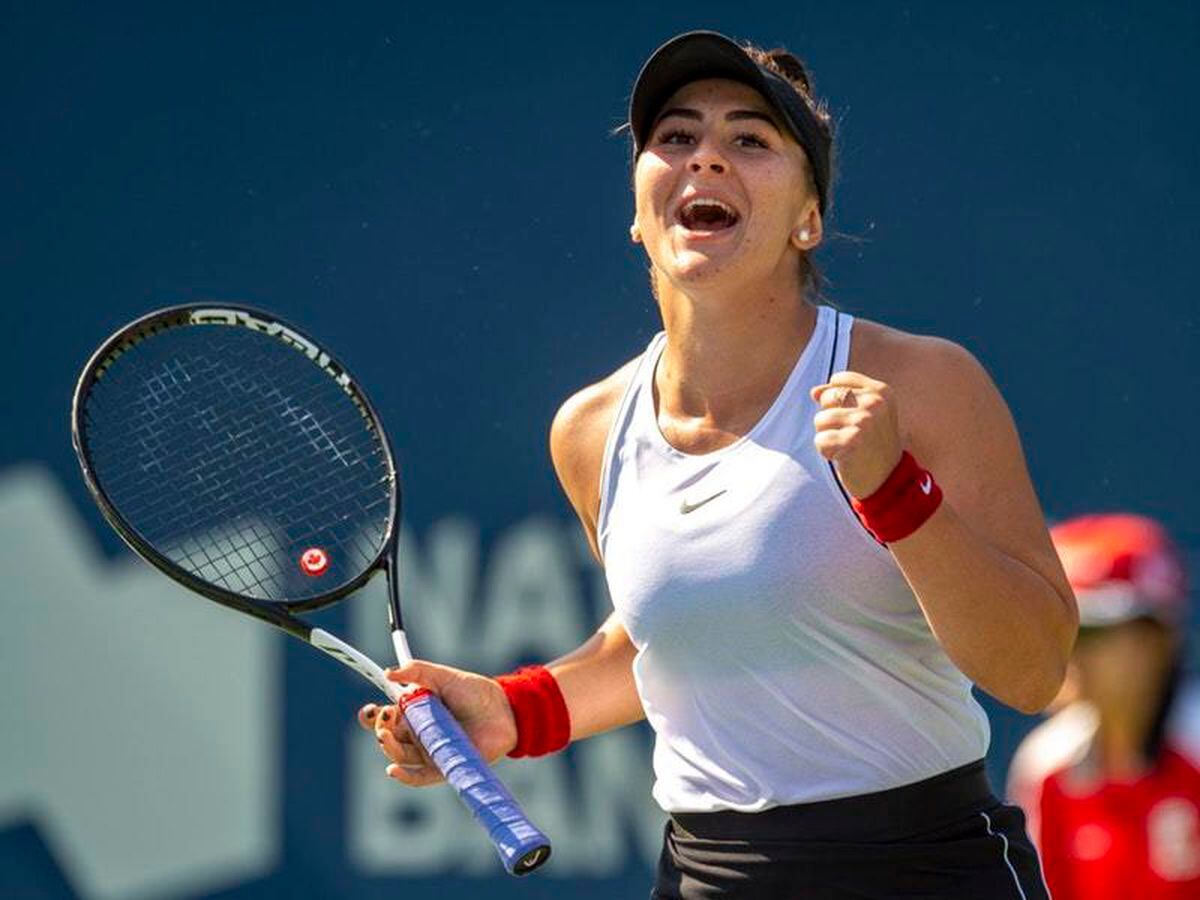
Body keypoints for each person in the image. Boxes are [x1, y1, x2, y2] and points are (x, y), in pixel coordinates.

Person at [360, 30, 1077, 898]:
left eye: (750, 140)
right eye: (675, 138)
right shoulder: (587, 431)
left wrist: (898, 496)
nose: (705, 159)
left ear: (808, 218)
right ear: (637, 210)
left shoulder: (921, 382)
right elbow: (675, 641)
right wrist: (515, 711)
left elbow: (1033, 671)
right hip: (709, 877)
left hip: (927, 868)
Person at [1008, 513, 1199, 899]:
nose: (1072, 651)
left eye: (1091, 632)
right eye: (1060, 629)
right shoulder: (1045, 768)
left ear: (1157, 640)